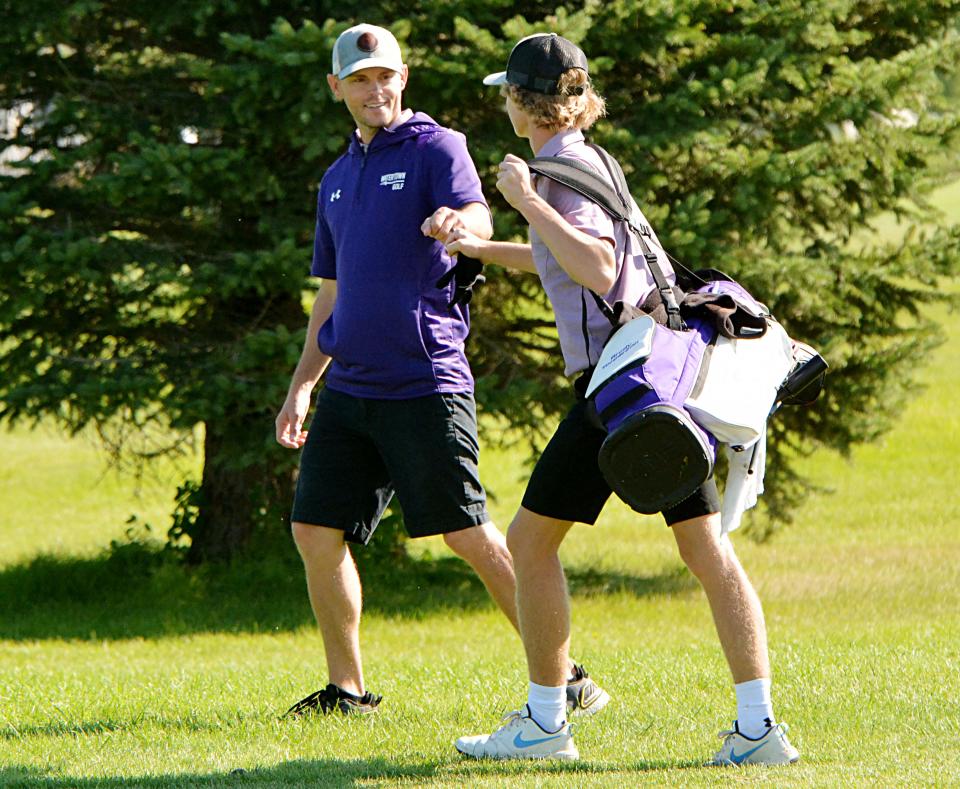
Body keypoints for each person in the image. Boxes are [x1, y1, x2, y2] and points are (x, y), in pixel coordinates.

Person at [449, 33, 800, 765]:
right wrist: (486, 250)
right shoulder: (591, 159)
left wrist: (519, 198)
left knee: (528, 542)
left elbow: (600, 266)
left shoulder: (556, 173)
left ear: (523, 102)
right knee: (707, 551)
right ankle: (759, 728)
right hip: (659, 379)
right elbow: (570, 257)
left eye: (507, 94)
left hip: (619, 388)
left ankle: (546, 723)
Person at [275, 24, 608, 718]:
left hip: (426, 381)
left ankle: (567, 676)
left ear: (404, 78)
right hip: (351, 389)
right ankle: (348, 690)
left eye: (386, 76)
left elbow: (476, 213)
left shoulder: (436, 146)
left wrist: (460, 223)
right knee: (315, 530)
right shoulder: (337, 180)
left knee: (469, 533)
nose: (376, 90)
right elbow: (329, 295)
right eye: (361, 79)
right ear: (337, 87)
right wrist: (303, 385)